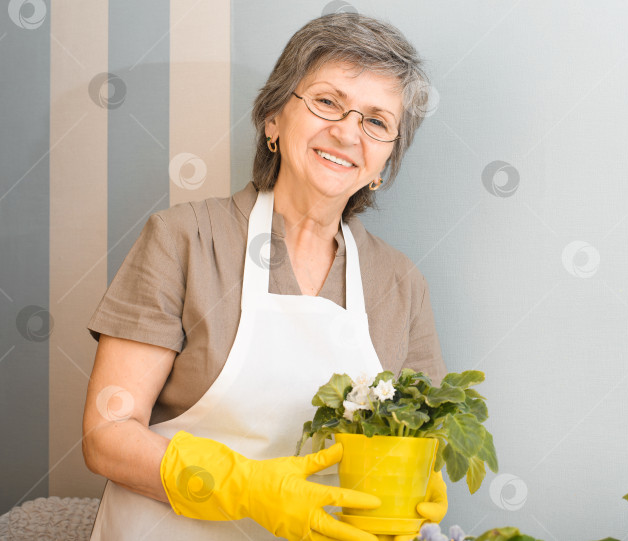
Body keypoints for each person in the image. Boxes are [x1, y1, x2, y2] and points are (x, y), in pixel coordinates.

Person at [81, 13, 448, 541]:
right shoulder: (183, 239)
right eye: (326, 102)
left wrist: (418, 484)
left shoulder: (400, 284)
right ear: (273, 118)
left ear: (384, 163)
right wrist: (247, 488)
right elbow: (107, 434)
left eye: (376, 121)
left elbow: (420, 444)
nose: (347, 132)